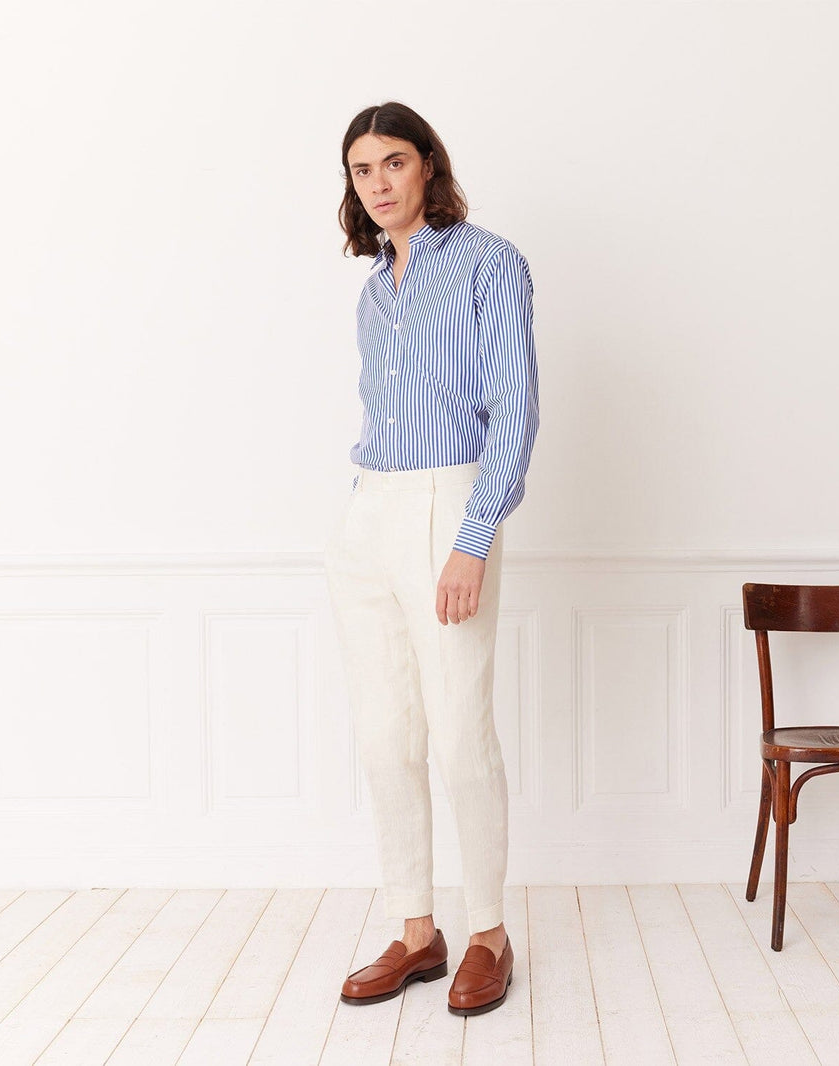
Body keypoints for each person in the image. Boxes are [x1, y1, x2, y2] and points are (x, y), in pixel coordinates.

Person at [323, 100, 539, 1017]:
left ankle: (487, 931)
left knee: (459, 734)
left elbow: (515, 411)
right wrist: (361, 520)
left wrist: (473, 537)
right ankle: (416, 930)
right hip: (369, 514)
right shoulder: (375, 288)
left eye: (394, 163)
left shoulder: (490, 262)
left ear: (427, 166)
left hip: (450, 504)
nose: (378, 183)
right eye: (362, 169)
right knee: (385, 737)